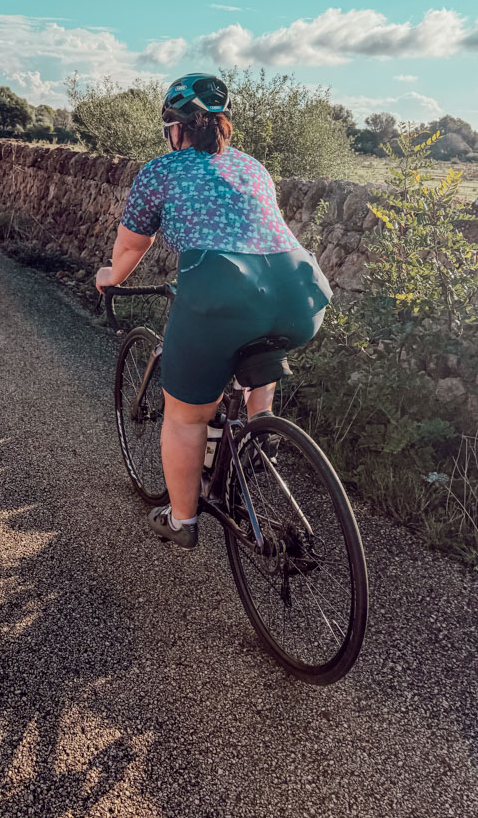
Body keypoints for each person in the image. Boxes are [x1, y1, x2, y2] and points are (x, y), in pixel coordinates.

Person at [95, 73, 332, 549]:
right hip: (299, 290)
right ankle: (258, 435)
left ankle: (182, 519)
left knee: (185, 417)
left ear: (176, 128)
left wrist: (110, 278)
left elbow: (129, 247)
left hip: (219, 291)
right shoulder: (253, 167)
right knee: (257, 340)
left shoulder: (161, 172)